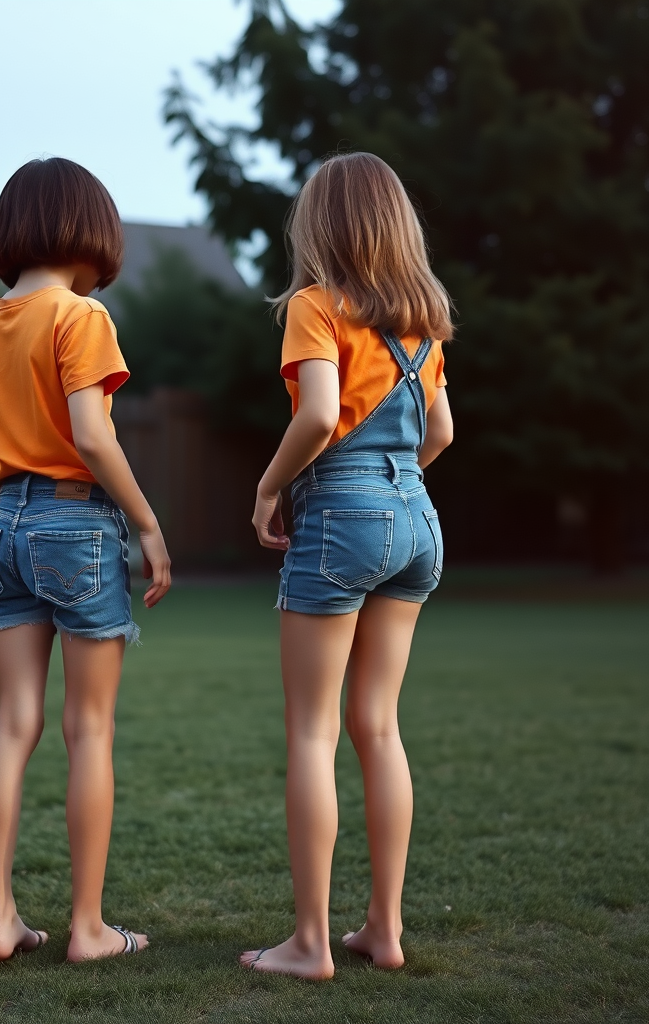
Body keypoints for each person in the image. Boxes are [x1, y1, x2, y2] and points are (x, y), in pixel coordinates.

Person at [0, 157, 171, 964]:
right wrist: (146, 524)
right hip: (77, 525)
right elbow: (91, 435)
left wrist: (13, 524)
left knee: (15, 724)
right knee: (90, 730)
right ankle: (86, 929)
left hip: (5, 523)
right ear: (89, 228)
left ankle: (1, 919)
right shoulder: (79, 318)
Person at [242, 152, 455, 979]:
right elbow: (438, 434)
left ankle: (308, 944)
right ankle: (386, 931)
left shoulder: (315, 306)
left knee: (312, 731)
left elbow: (322, 413)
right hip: (417, 519)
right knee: (379, 727)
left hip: (341, 513)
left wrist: (269, 488)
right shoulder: (422, 318)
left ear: (319, 226)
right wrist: (395, 489)